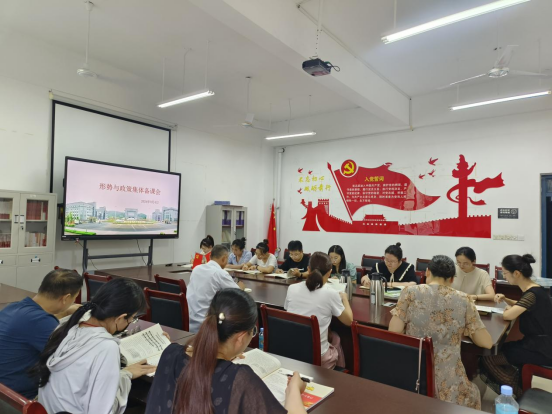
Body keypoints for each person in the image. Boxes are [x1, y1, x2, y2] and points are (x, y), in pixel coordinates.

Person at [146, 289, 307, 414]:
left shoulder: (170, 353)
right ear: (241, 337)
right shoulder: (240, 378)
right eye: (253, 332)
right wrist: (293, 388)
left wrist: (224, 359)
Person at [35, 278, 158, 414]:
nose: (130, 323)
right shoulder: (106, 348)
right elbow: (102, 410)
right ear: (120, 318)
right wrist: (124, 378)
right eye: (132, 319)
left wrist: (124, 374)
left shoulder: (67, 326)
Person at [389, 255, 492, 410]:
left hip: (413, 370)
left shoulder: (410, 292)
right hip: (448, 378)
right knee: (476, 390)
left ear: (427, 272)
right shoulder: (464, 299)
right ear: (452, 279)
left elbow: (394, 331)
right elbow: (486, 343)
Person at [0, 269, 83, 399]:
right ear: (66, 298)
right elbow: (72, 358)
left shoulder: (14, 307)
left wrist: (65, 312)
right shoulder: (41, 321)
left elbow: (32, 324)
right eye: (73, 299)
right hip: (21, 399)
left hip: (5, 391)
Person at [481, 254, 552, 398]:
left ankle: (519, 393)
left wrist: (508, 310)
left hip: (541, 349)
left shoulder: (532, 294)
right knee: (502, 349)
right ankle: (519, 386)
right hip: (537, 344)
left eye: (505, 273)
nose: (504, 277)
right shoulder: (535, 289)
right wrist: (506, 299)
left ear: (517, 273)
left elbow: (508, 316)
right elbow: (522, 305)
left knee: (489, 358)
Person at [284, 252, 353, 370]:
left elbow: (288, 311)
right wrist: (345, 298)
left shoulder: (292, 288)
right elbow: (349, 321)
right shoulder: (330, 293)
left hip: (292, 352)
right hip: (317, 357)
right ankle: (338, 375)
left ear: (308, 269)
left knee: (333, 336)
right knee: (336, 338)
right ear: (330, 272)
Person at [187, 245, 245, 333]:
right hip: (206, 326)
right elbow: (238, 294)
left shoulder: (196, 269)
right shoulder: (220, 273)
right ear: (224, 258)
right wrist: (241, 286)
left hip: (189, 322)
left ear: (210, 256)